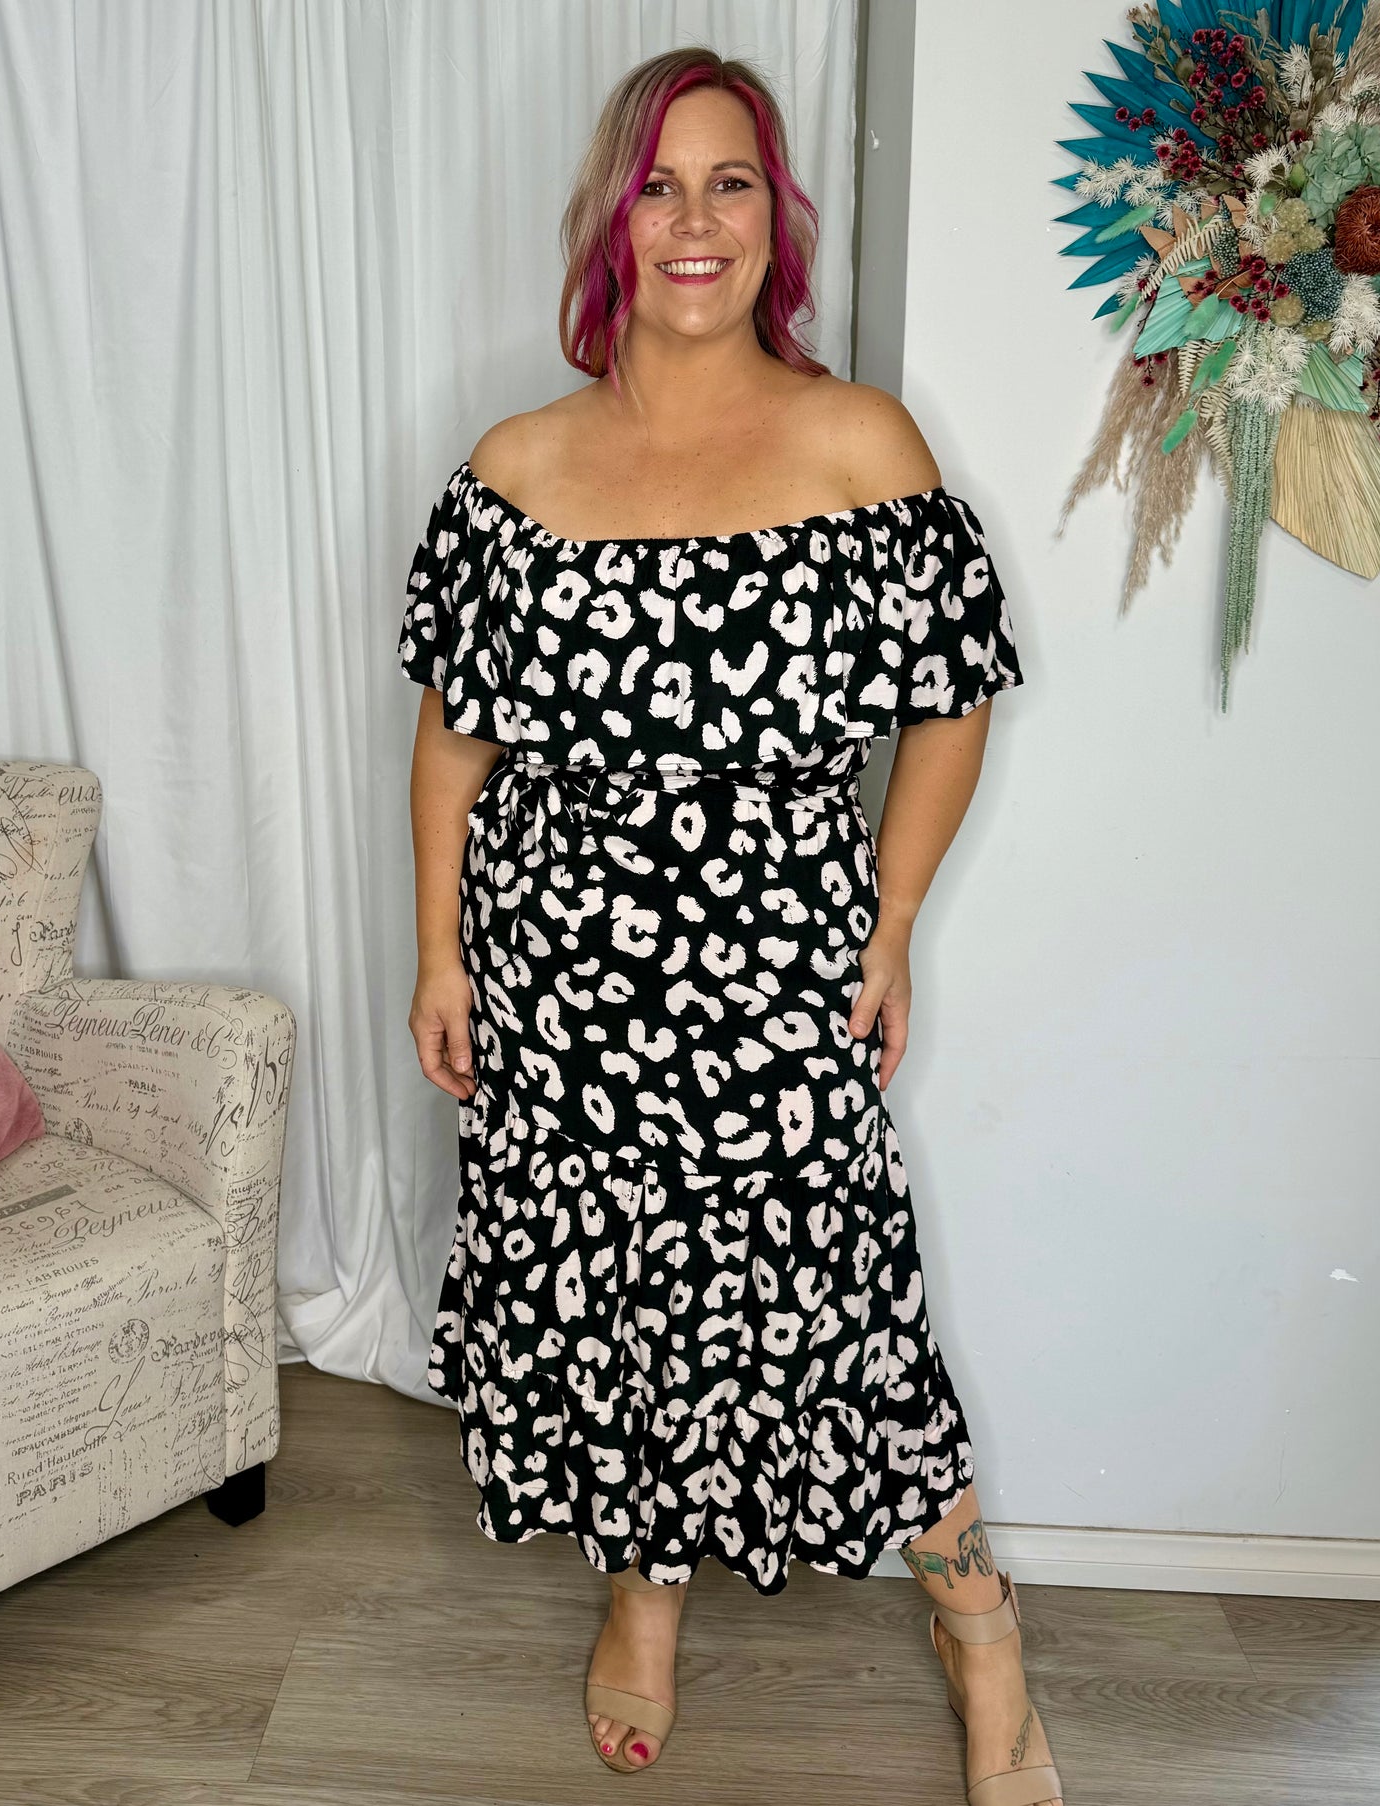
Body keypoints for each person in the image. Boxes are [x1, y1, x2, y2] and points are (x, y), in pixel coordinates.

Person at [401, 45, 1062, 1806]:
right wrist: (441, 952)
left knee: (842, 1303)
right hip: (557, 980)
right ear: (609, 221)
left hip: (778, 977)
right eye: (658, 185)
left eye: (731, 181)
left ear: (777, 218)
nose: (693, 219)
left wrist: (892, 921)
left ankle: (976, 1621)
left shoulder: (857, 443)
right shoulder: (515, 465)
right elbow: (454, 740)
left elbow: (951, 699)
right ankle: (645, 1588)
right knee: (609, 1296)